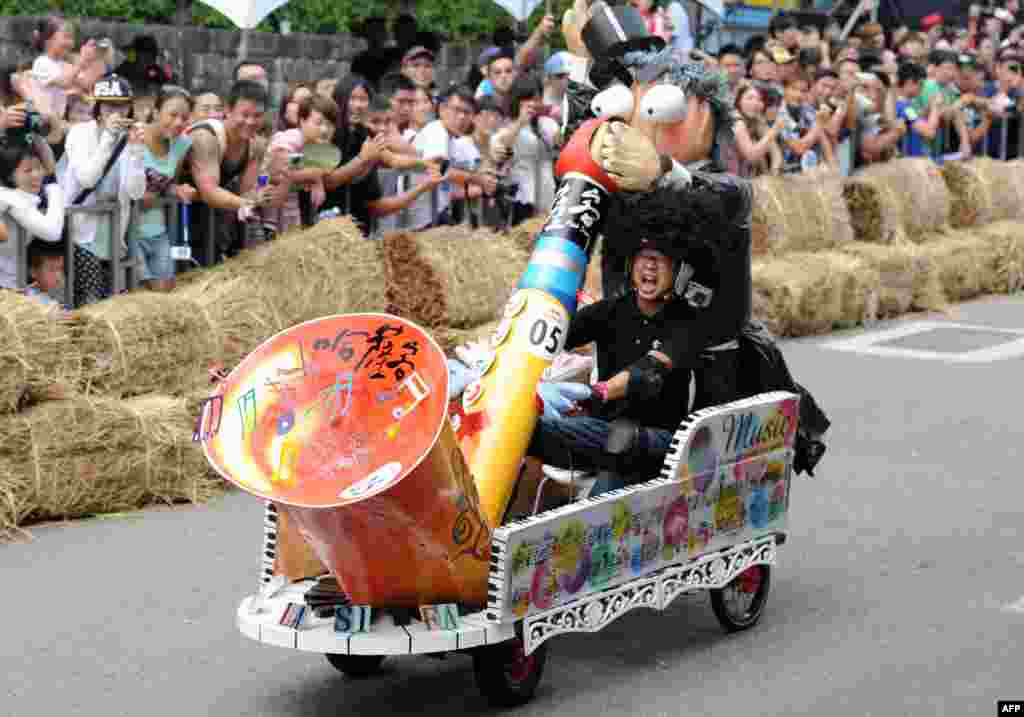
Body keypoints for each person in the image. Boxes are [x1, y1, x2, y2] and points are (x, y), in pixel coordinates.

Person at [527, 239, 689, 495]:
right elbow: (552, 336)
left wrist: (595, 392)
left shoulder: (686, 321)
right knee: (524, 432)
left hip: (657, 441)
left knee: (619, 443)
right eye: (643, 257)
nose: (650, 265)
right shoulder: (610, 310)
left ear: (678, 270)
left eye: (660, 258)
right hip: (601, 434)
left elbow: (647, 373)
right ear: (631, 264)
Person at [59, 74, 145, 306]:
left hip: (114, 234)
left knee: (110, 304)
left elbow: (136, 192)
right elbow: (87, 179)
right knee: (90, 302)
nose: (116, 112)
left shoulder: (130, 137)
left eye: (122, 105)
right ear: (98, 106)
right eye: (109, 106)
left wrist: (137, 152)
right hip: (81, 230)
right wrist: (108, 137)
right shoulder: (80, 133)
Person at [186, 79, 274, 265]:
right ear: (228, 110)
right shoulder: (205, 137)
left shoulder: (256, 145)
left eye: (257, 115)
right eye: (245, 114)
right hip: (178, 214)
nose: (250, 121)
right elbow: (210, 192)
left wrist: (260, 193)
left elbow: (247, 192)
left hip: (211, 218)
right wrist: (245, 203)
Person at [132, 86, 195, 292]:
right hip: (129, 232)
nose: (179, 122)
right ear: (157, 112)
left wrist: (178, 189)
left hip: (158, 230)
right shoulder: (135, 135)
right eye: (173, 114)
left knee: (164, 294)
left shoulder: (182, 144)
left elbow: (168, 184)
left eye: (184, 117)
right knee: (139, 296)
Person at [491, 73, 559, 225]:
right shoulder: (506, 125)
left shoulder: (546, 124)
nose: (532, 104)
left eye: (535, 99)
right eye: (527, 99)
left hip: (547, 196)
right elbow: (501, 147)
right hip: (522, 198)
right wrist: (520, 122)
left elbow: (559, 142)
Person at [0, 138, 63, 290]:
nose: (36, 175)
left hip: (10, 282)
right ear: (9, 176)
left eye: (38, 167)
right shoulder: (9, 197)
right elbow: (52, 232)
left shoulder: (20, 195)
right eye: (27, 170)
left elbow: (49, 165)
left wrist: (39, 137)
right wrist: (55, 190)